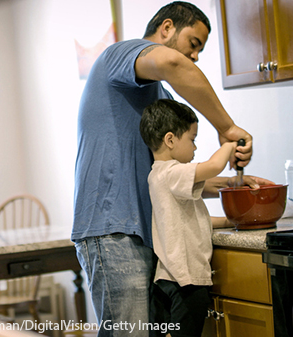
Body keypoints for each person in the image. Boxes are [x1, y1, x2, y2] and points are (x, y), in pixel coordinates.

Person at [72, 2, 271, 336]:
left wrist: (229, 186)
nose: (194, 57)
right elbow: (173, 62)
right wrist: (227, 128)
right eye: (194, 43)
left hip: (144, 235)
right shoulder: (119, 56)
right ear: (166, 28)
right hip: (114, 231)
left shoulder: (156, 95)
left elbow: (168, 179)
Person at [140, 99, 237, 336]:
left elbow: (187, 223)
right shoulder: (171, 172)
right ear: (170, 139)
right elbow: (214, 166)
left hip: (166, 278)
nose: (194, 149)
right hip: (186, 282)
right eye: (192, 140)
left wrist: (229, 222)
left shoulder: (159, 176)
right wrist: (230, 142)